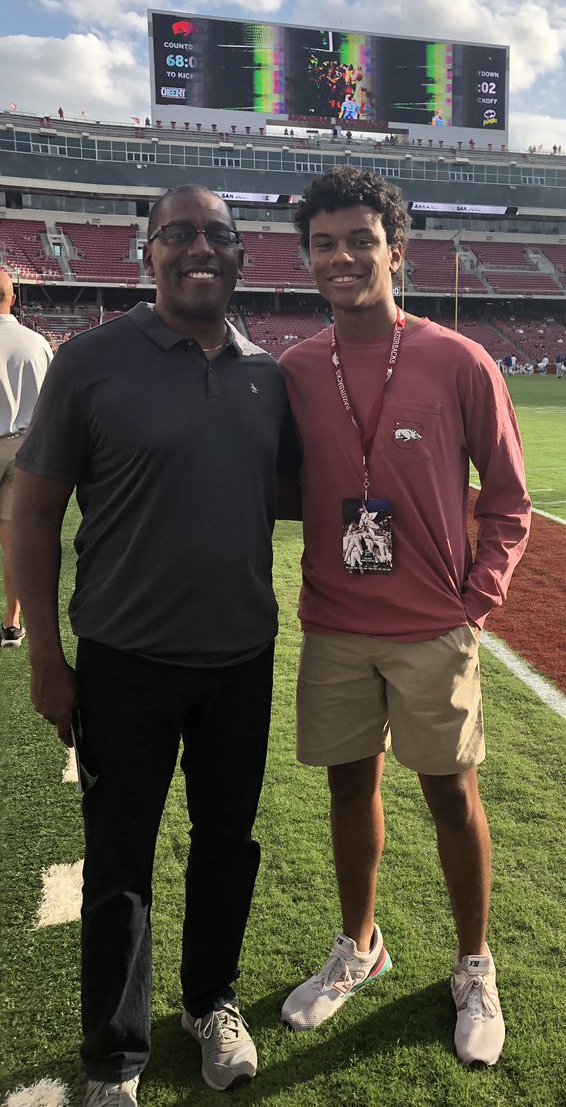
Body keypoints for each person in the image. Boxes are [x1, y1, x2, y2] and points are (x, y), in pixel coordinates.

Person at [12, 185, 299, 1104]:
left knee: (227, 842)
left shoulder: (267, 374)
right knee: (121, 861)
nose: (199, 249)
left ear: (242, 257)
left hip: (240, 658)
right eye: (179, 234)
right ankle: (114, 1057)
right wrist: (46, 657)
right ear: (150, 252)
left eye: (218, 235)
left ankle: (209, 1001)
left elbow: (296, 495)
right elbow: (35, 512)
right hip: (124, 662)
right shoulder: (90, 362)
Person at [277, 167, 530, 1068]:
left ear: (396, 248)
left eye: (359, 240)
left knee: (450, 795)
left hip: (432, 626)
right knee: (350, 788)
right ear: (307, 258)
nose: (342, 257)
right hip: (336, 622)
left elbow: (508, 499)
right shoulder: (297, 370)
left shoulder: (458, 360)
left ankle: (473, 963)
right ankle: (361, 945)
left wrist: (477, 599)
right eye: (323, 243)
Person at [0, 268, 53, 647]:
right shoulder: (38, 343)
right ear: (12, 298)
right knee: (13, 540)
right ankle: (12, 622)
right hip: (23, 445)